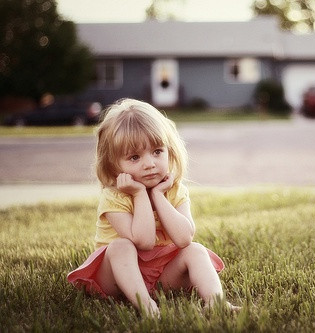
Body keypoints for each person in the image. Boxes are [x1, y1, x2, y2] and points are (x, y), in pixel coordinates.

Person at [67, 98, 238, 316]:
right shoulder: (114, 197)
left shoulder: (173, 189)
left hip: (160, 275)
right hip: (119, 277)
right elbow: (144, 241)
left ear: (170, 150)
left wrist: (158, 195)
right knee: (121, 246)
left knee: (196, 250)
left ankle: (217, 303)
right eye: (135, 157)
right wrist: (139, 194)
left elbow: (185, 238)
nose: (149, 164)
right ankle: (146, 305)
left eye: (157, 151)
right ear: (113, 165)